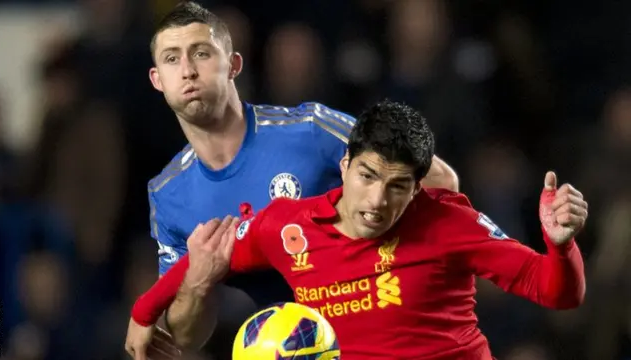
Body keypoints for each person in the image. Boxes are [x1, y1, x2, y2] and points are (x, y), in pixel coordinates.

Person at [127, 100, 588, 360]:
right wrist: (144, 312)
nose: (376, 202)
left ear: (416, 188)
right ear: (344, 165)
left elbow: (557, 292)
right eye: (367, 176)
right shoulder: (288, 225)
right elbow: (208, 253)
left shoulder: (450, 221)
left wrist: (560, 243)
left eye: (398, 186)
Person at [133, 1, 459, 359]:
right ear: (157, 80)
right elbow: (188, 337)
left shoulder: (310, 130)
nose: (188, 71)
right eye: (172, 59)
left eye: (201, 53)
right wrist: (197, 282)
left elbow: (440, 181)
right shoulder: (168, 195)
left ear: (234, 65)